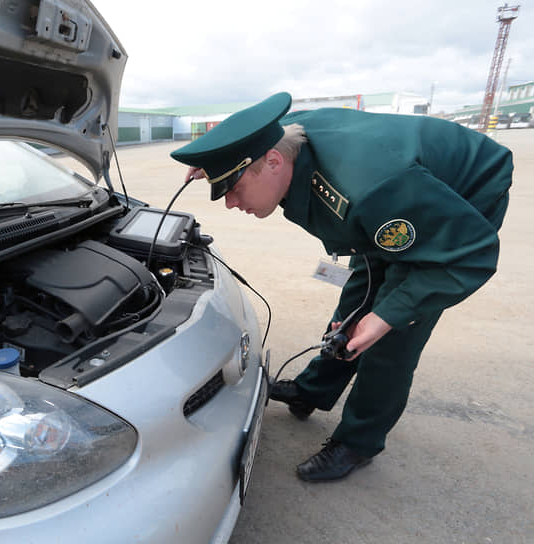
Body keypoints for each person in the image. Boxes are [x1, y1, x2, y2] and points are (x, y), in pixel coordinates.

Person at [170, 92, 512, 482]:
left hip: (457, 201)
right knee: (355, 304)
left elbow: (471, 254)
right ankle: (313, 390)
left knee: (390, 332)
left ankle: (358, 442)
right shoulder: (282, 142)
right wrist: (214, 161)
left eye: (232, 186)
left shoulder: (369, 186)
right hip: (397, 200)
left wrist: (385, 316)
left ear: (275, 162)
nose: (230, 203)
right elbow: (252, 131)